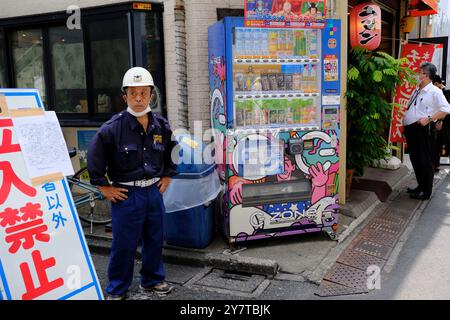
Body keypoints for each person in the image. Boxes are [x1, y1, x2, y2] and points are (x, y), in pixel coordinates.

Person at [87, 67, 178, 300]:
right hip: (127, 195)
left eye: (144, 93)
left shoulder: (161, 126)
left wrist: (168, 175)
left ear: (151, 95)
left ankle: (152, 280)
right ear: (124, 96)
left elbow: (173, 151)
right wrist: (103, 186)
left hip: (153, 192)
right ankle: (117, 289)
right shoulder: (112, 128)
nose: (139, 98)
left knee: (155, 240)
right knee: (124, 245)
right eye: (133, 93)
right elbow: (95, 158)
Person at [403, 62, 450, 200]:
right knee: (415, 159)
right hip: (412, 129)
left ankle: (426, 191)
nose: (417, 74)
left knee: (425, 160)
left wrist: (430, 119)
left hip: (424, 130)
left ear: (426, 75)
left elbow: (446, 109)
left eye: (420, 72)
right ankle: (421, 186)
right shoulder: (417, 89)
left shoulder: (435, 91)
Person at [432, 75, 450, 171]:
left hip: (445, 124)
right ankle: (435, 164)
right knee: (437, 144)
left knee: (443, 144)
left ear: (436, 84)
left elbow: (446, 109)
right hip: (439, 122)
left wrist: (440, 121)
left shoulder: (446, 92)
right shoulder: (438, 92)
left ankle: (435, 164)